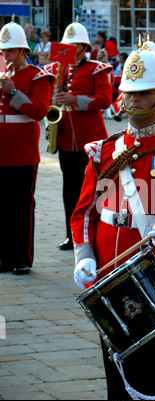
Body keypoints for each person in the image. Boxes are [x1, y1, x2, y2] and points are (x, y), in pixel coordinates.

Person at [71, 47, 155, 400]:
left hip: (154, 274)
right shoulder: (103, 152)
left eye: (142, 92)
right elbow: (84, 213)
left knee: (148, 370)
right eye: (128, 92)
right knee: (114, 362)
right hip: (106, 270)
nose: (132, 100)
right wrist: (83, 254)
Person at [44, 19, 113, 251]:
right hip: (65, 139)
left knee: (93, 190)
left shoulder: (96, 69)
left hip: (90, 139)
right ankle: (70, 234)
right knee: (69, 189)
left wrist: (76, 100)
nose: (71, 51)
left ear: (85, 48)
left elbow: (105, 99)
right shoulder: (56, 69)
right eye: (68, 46)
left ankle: (95, 234)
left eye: (75, 46)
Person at [0, 17, 55, 275]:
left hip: (22, 152)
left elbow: (39, 111)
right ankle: (3, 256)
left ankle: (22, 258)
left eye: (10, 50)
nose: (6, 55)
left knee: (21, 206)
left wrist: (13, 93)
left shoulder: (37, 76)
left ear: (23, 51)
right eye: (3, 51)